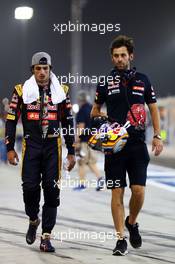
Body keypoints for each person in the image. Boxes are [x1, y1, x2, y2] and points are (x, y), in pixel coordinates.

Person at [91, 35, 163, 256]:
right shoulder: (104, 82)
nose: (120, 59)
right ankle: (120, 238)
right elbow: (95, 111)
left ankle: (132, 222)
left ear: (131, 56)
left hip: (137, 144)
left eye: (123, 55)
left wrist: (157, 136)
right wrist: (103, 120)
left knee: (139, 191)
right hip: (114, 147)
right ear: (112, 58)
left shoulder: (143, 79)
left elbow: (153, 109)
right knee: (117, 193)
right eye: (116, 56)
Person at [5, 52, 76, 252]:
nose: (42, 72)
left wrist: (72, 151)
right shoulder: (20, 91)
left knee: (52, 191)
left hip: (54, 146)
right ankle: (33, 219)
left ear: (50, 69)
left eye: (46, 69)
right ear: (33, 70)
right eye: (38, 69)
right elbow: (11, 120)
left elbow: (68, 121)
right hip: (31, 145)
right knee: (29, 188)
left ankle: (46, 236)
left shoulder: (62, 91)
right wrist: (10, 148)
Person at [74, 90, 104, 191]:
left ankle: (82, 184)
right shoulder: (93, 109)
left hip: (85, 142)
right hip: (94, 140)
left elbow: (81, 127)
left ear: (80, 100)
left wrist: (77, 141)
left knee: (81, 162)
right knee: (91, 162)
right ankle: (100, 178)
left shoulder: (82, 111)